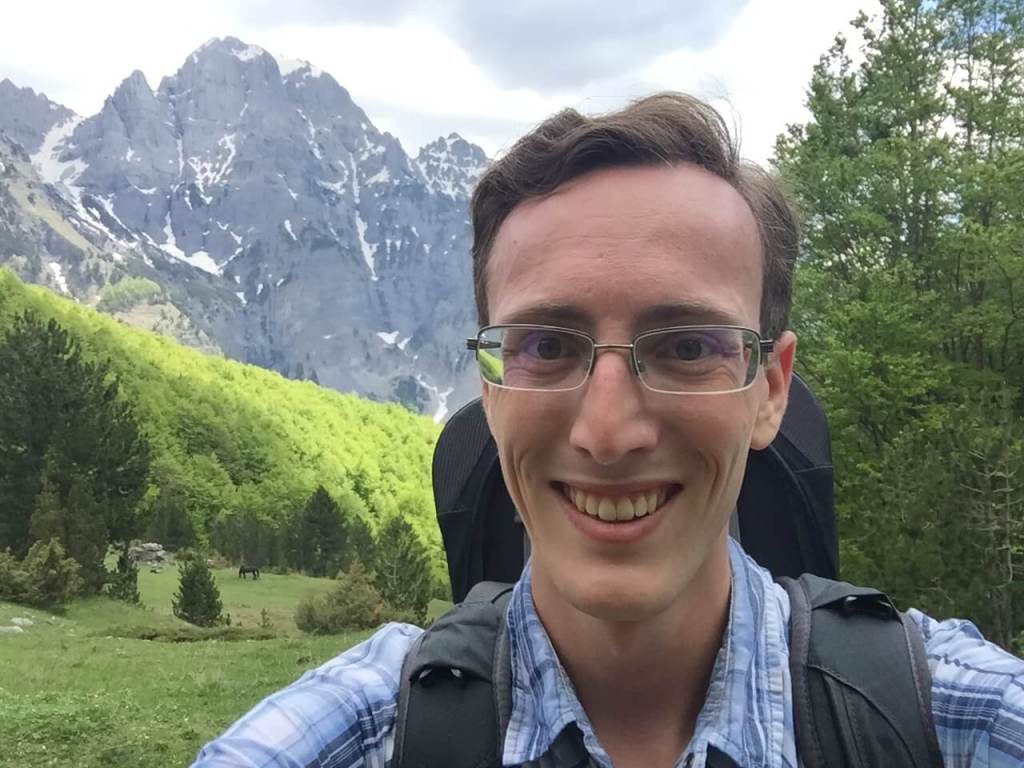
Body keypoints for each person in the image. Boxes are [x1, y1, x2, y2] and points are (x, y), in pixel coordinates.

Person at [192, 93, 1024, 767]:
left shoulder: (947, 716)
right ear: (490, 390)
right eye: (547, 347)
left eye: (688, 347)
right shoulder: (373, 729)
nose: (609, 431)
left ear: (770, 389)